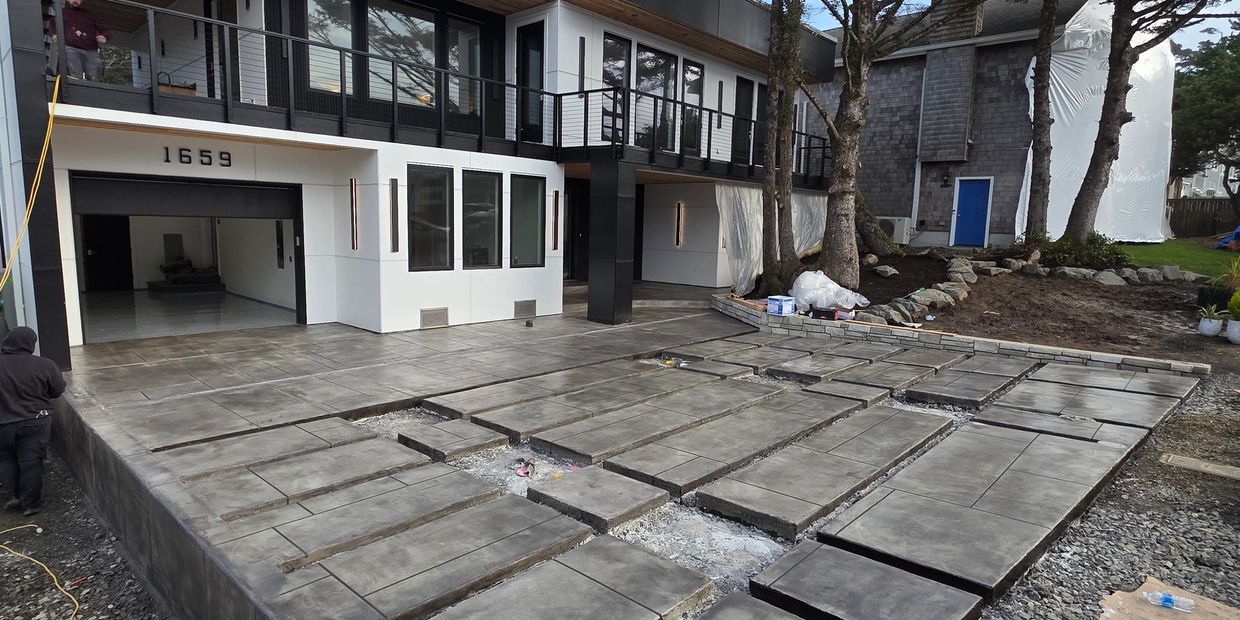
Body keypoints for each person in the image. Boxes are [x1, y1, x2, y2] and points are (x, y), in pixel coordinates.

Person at [0, 327, 67, 517]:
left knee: (5, 458)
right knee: (31, 461)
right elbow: (57, 389)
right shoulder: (44, 364)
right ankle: (31, 504)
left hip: (2, 423)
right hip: (35, 421)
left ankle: (13, 495)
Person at [48, 0, 110, 81]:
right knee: (76, 77)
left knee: (94, 78)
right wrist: (54, 34)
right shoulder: (62, 13)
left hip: (91, 50)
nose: (75, 1)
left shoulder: (88, 15)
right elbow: (52, 24)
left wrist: (104, 36)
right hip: (71, 48)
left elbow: (105, 29)